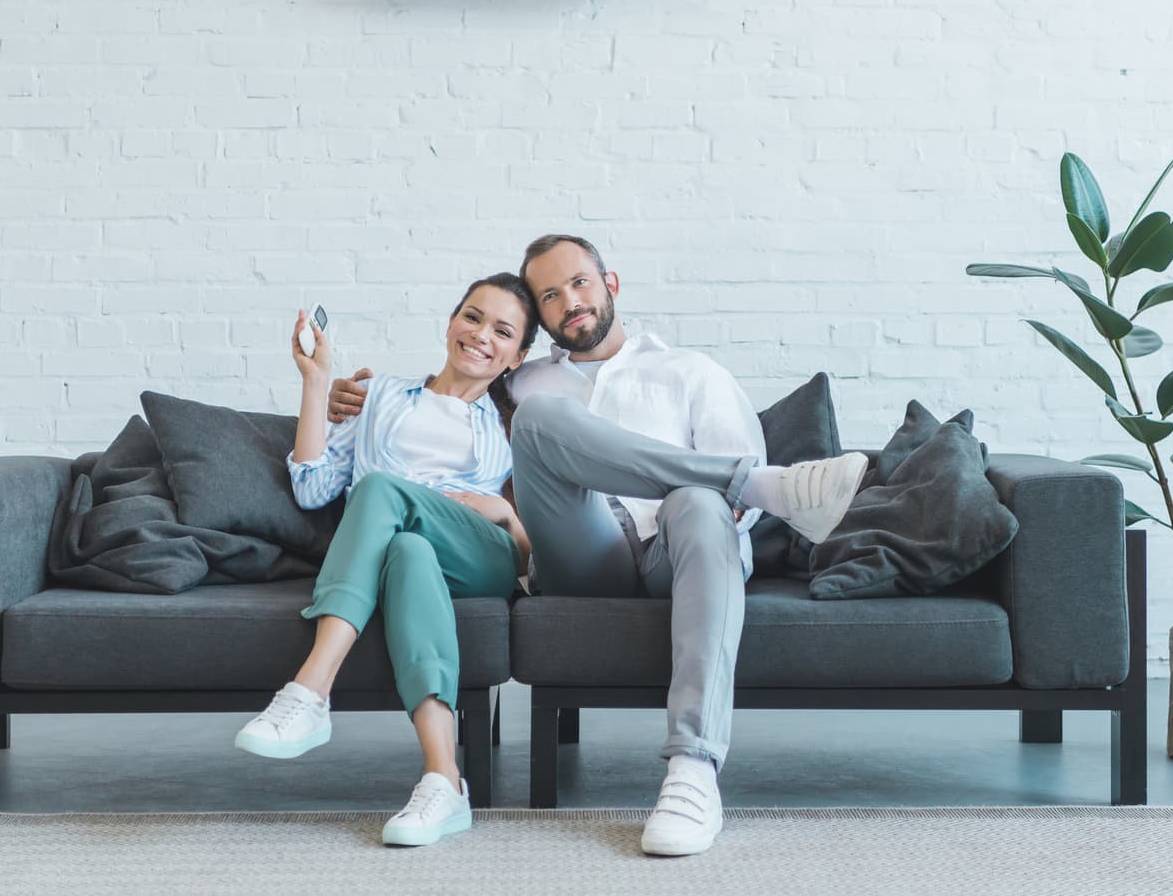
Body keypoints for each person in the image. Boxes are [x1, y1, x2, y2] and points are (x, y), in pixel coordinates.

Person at [328, 236, 867, 856]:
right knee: (540, 419)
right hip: (581, 554)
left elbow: (732, 520)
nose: (569, 302)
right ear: (539, 320)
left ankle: (693, 771)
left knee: (699, 500)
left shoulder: (690, 371)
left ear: (611, 285)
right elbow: (453, 398)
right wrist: (356, 400)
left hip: (677, 549)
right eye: (550, 295)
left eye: (580, 283)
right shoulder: (524, 382)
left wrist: (715, 493)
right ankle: (765, 484)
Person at [235, 273, 539, 848]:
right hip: (411, 549)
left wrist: (503, 510)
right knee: (406, 548)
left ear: (517, 355)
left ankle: (311, 688)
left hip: (483, 553)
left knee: (379, 490)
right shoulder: (379, 395)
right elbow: (313, 486)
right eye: (472, 317)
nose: (480, 335)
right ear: (450, 322)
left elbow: (538, 551)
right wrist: (317, 382)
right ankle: (444, 779)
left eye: (502, 331)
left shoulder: (517, 427)